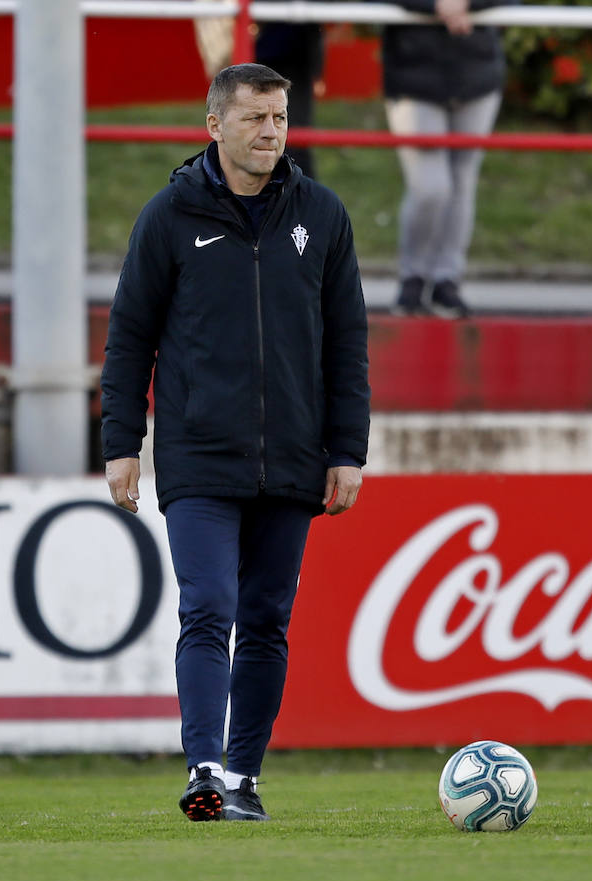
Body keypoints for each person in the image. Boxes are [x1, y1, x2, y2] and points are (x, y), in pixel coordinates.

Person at [100, 63, 370, 822]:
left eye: (280, 117)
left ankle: (245, 777)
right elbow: (130, 339)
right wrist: (123, 441)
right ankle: (204, 768)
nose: (271, 132)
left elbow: (347, 343)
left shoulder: (322, 213)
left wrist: (348, 448)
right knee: (208, 604)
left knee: (266, 619)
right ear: (214, 125)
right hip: (198, 456)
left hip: (293, 456)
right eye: (254, 118)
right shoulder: (168, 217)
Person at [383, 0, 517, 318]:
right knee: (430, 186)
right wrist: (438, 4)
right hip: (413, 77)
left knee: (461, 182)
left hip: (477, 76)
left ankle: (446, 281)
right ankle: (413, 278)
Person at [253, 11, 324, 181]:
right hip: (273, 52)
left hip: (293, 54)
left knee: (292, 136)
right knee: (275, 133)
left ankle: (301, 193)